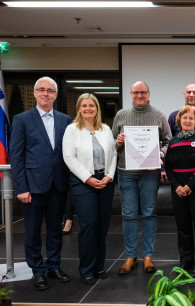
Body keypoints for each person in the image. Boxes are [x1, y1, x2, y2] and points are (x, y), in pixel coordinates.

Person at [10, 76, 72, 290]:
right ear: (35, 93)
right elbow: (16, 156)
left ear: (55, 95)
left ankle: (53, 266)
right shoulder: (22, 119)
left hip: (58, 184)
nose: (46, 93)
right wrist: (21, 187)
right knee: (33, 231)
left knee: (55, 229)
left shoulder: (66, 119)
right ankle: (37, 270)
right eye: (41, 90)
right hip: (32, 186)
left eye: (50, 90)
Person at [112, 81, 171, 275]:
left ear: (148, 93)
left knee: (149, 213)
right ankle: (130, 256)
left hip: (149, 173)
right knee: (128, 215)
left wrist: (159, 154)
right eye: (136, 92)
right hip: (126, 172)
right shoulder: (121, 115)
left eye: (143, 92)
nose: (139, 95)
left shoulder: (159, 115)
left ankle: (147, 255)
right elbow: (112, 142)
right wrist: (118, 141)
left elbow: (168, 142)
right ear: (130, 94)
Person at [63, 93, 117, 285]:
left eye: (91, 106)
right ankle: (86, 269)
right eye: (84, 106)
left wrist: (109, 176)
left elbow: (114, 153)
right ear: (78, 109)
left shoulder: (106, 129)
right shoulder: (72, 130)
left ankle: (99, 267)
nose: (88, 109)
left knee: (102, 227)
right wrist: (88, 179)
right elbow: (69, 158)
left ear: (97, 109)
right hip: (83, 183)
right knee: (88, 226)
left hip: (105, 182)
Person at [165, 105, 195, 277]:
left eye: (191, 118)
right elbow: (168, 167)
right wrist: (177, 186)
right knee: (183, 227)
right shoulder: (173, 141)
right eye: (184, 118)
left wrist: (190, 185)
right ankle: (186, 261)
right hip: (178, 191)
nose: (187, 120)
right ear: (179, 121)